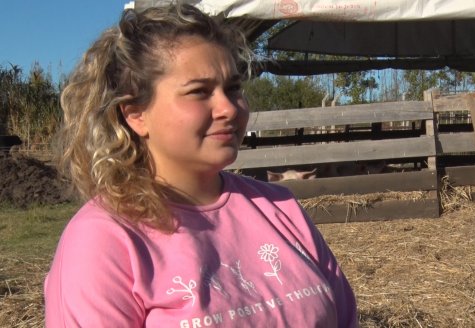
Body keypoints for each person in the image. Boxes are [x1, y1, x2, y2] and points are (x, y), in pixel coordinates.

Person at [44, 3, 358, 327]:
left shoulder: (280, 207)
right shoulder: (104, 240)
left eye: (233, 88)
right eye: (199, 92)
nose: (228, 108)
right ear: (135, 114)